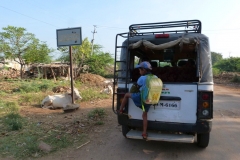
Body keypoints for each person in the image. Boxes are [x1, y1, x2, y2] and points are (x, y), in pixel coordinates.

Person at [118, 61, 156, 139]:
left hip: (141, 98)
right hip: (150, 99)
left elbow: (136, 88)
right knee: (144, 115)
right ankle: (144, 133)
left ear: (144, 70)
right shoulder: (155, 77)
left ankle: (121, 110)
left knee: (126, 95)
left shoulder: (142, 78)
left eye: (140, 70)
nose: (139, 71)